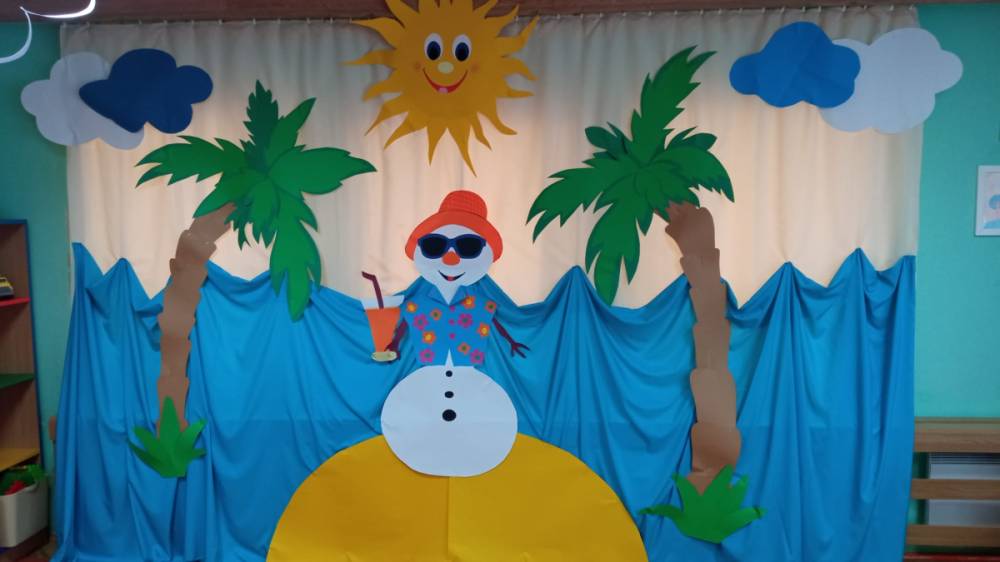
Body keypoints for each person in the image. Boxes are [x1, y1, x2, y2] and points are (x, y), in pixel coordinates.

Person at [387, 190, 528, 366]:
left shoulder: (480, 303)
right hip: (429, 370)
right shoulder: (418, 303)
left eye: (469, 246)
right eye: (434, 245)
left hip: (468, 371)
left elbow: (495, 321)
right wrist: (394, 342)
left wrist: (511, 341)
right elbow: (405, 321)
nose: (450, 259)